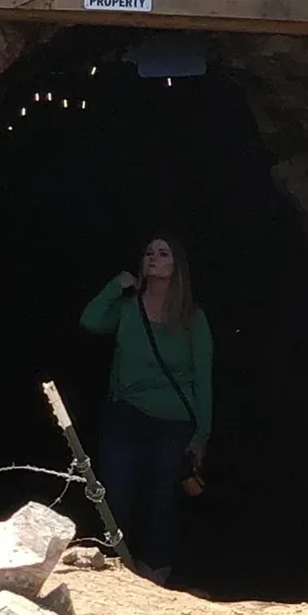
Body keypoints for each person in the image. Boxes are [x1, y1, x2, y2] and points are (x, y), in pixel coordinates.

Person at [80, 235, 213, 583]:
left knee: (162, 499)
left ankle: (155, 576)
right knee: (116, 492)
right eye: (149, 252)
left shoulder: (192, 319)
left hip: (173, 422)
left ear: (177, 266)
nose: (154, 258)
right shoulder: (127, 310)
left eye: (163, 253)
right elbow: (90, 321)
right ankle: (117, 568)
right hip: (126, 414)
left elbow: (203, 379)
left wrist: (202, 434)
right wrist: (115, 285)